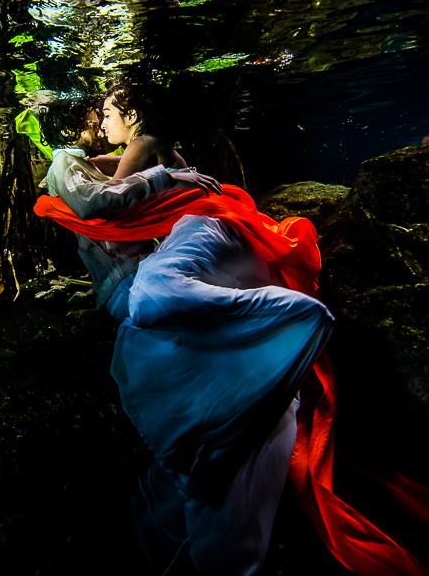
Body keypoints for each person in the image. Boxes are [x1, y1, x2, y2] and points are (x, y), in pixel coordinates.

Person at [36, 91, 334, 575]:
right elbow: (100, 202)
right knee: (207, 394)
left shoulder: (109, 154)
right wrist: (168, 174)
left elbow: (126, 182)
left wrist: (166, 170)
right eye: (101, 114)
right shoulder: (64, 159)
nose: (104, 120)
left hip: (135, 287)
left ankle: (282, 328)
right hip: (133, 285)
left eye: (109, 112)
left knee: (192, 394)